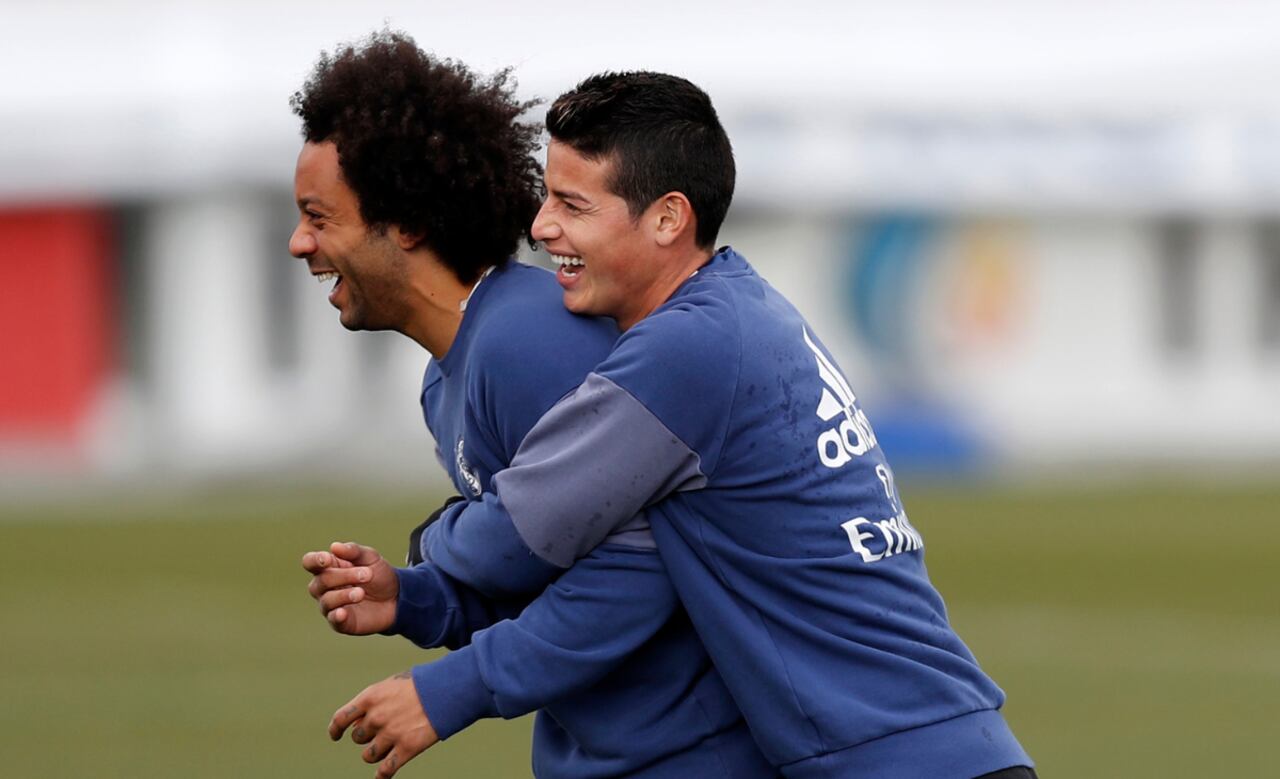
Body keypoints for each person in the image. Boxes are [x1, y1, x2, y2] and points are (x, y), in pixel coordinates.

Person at [323, 71, 1038, 779]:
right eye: (548, 197)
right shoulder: (740, 310)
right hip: (936, 743)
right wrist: (419, 598)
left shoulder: (684, 349)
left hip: (897, 756)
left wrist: (429, 551)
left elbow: (518, 530)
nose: (541, 227)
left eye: (573, 204)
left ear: (668, 218)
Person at [289, 33, 773, 779]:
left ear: (406, 220)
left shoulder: (527, 337)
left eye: (319, 217)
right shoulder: (449, 376)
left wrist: (449, 685)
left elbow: (643, 565)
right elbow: (539, 566)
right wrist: (413, 596)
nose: (299, 243)